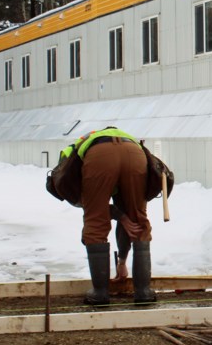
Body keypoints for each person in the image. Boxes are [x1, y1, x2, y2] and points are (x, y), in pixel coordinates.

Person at [61, 126, 157, 305]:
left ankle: (100, 293)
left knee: (95, 223)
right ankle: (143, 292)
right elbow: (122, 213)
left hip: (99, 157)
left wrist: (117, 217)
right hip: (135, 154)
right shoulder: (124, 137)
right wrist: (122, 260)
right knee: (138, 220)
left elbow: (94, 209)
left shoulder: (70, 167)